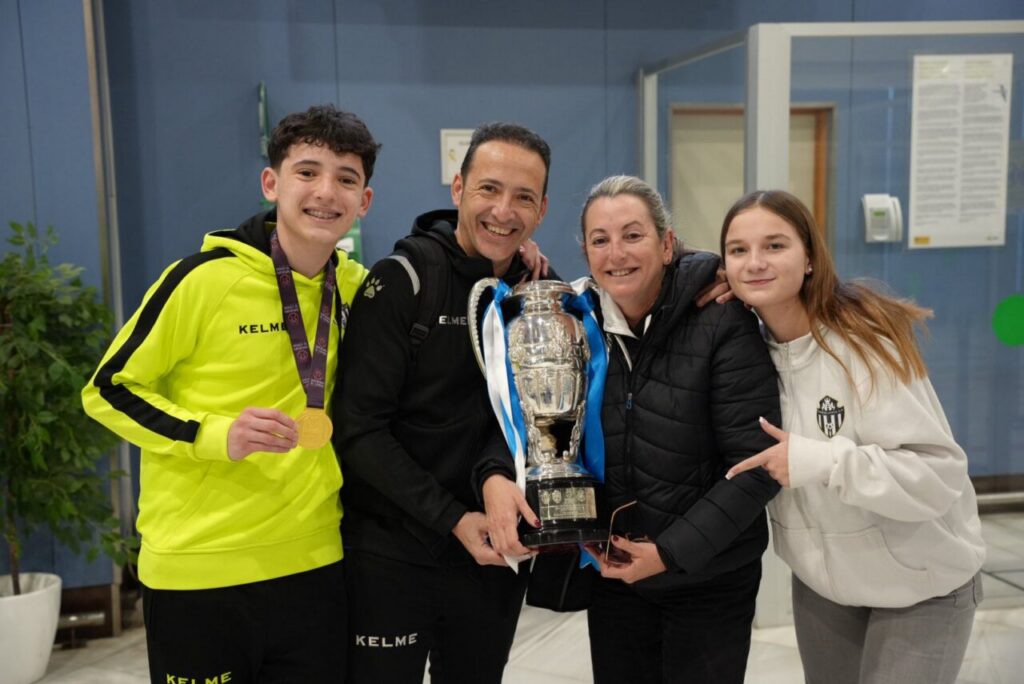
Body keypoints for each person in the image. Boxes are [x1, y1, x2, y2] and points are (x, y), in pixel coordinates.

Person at [82, 105, 378, 683]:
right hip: (200, 570)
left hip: (315, 563)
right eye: (307, 172)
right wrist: (211, 434)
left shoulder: (357, 287)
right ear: (272, 183)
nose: (326, 192)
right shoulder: (202, 279)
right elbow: (107, 389)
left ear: (363, 201)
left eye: (346, 178)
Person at [483, 175, 782, 684]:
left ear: (667, 245)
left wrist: (669, 553)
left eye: (633, 235)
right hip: (617, 574)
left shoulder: (723, 321)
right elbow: (518, 422)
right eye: (600, 240)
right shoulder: (577, 325)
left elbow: (756, 467)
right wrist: (495, 478)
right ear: (586, 251)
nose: (616, 253)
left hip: (707, 578)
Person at [721, 190, 986, 684]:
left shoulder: (864, 347)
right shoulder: (745, 355)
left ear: (809, 260)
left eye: (774, 246)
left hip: (922, 587)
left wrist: (818, 462)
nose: (754, 262)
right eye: (738, 250)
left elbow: (938, 474)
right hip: (825, 589)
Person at [333, 121, 554, 683]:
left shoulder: (536, 295)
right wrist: (452, 517)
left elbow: (530, 418)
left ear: (542, 210)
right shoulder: (402, 280)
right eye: (489, 189)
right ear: (458, 190)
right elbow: (358, 431)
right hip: (392, 552)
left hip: (493, 552)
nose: (504, 211)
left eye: (523, 197)